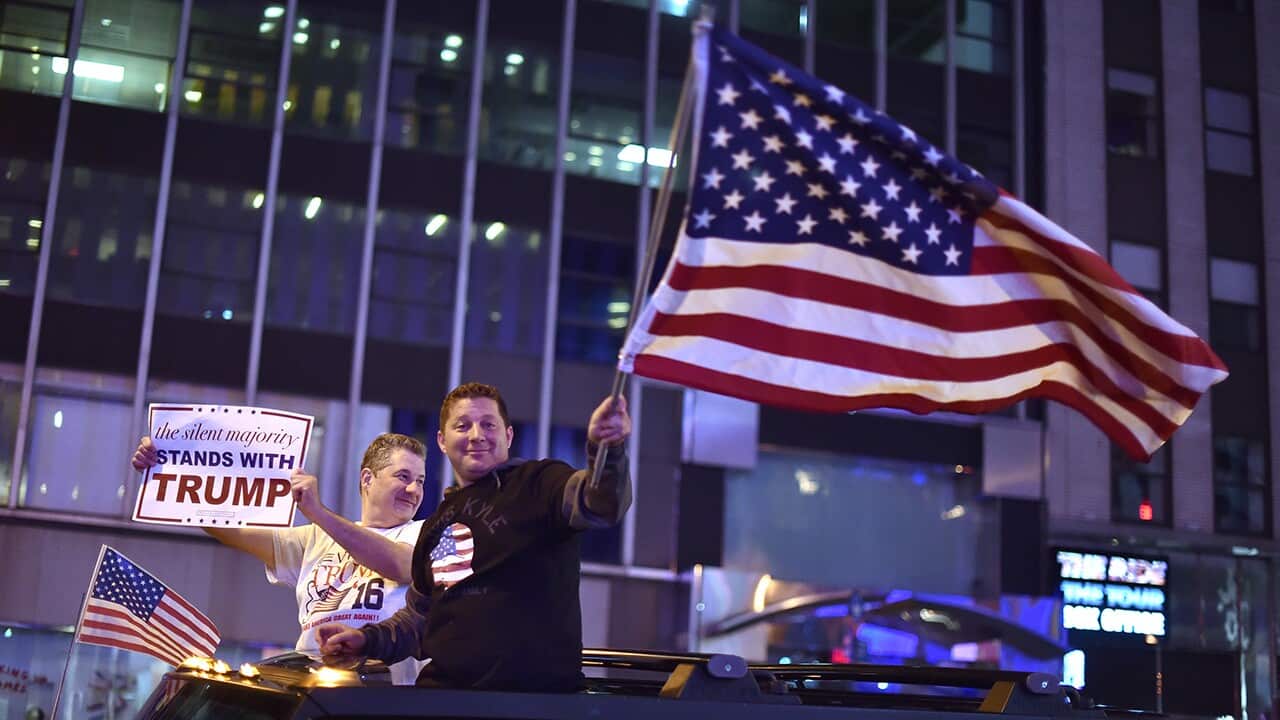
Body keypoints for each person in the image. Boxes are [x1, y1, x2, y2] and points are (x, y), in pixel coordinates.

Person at [316, 382, 632, 692]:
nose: (476, 435)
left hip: (531, 702)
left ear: (509, 435)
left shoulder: (540, 483)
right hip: (443, 698)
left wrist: (607, 449)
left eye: (488, 424)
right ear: (442, 440)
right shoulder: (436, 523)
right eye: (462, 425)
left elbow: (601, 504)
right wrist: (366, 639)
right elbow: (420, 619)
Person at [131, 432, 427, 684]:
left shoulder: (426, 533)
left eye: (421, 481)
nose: (414, 490)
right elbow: (231, 531)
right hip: (315, 692)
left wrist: (318, 512)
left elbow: (402, 566)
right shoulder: (314, 539)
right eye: (403, 476)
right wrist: (166, 473)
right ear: (367, 478)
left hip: (382, 696)